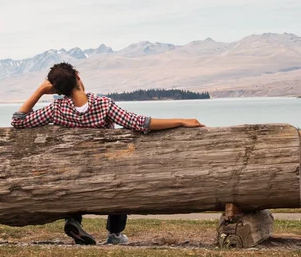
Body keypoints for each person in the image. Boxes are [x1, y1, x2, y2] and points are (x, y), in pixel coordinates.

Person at [11, 62, 205, 245]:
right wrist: (181, 121)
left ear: (57, 90)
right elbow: (139, 123)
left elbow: (18, 121)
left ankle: (73, 220)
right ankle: (114, 233)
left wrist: (40, 91)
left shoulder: (56, 109)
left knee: (73, 171)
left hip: (73, 178)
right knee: (118, 173)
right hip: (107, 175)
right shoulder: (103, 105)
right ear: (78, 77)